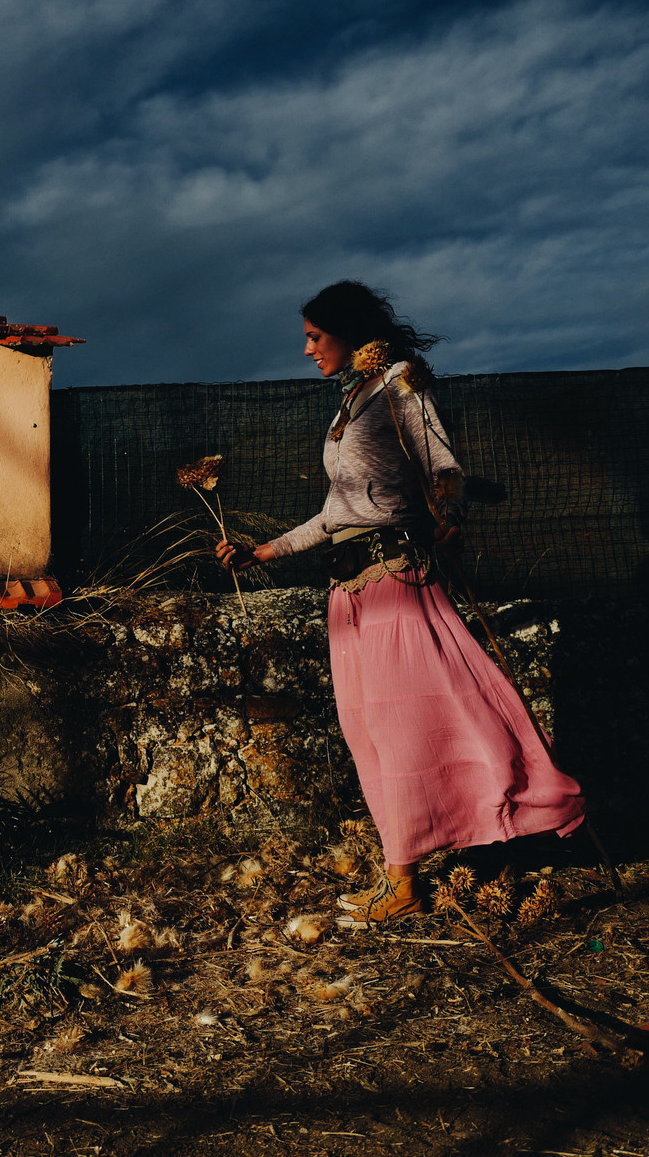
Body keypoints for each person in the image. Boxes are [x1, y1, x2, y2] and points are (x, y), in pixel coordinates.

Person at [217, 281, 586, 923]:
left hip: (395, 581)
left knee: (409, 727)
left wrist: (448, 514)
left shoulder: (398, 385)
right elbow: (335, 513)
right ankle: (402, 872)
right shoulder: (348, 405)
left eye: (314, 336)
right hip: (347, 593)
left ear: (348, 333)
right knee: (368, 735)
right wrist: (263, 552)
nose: (306, 349)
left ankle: (482, 830)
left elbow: (444, 466)